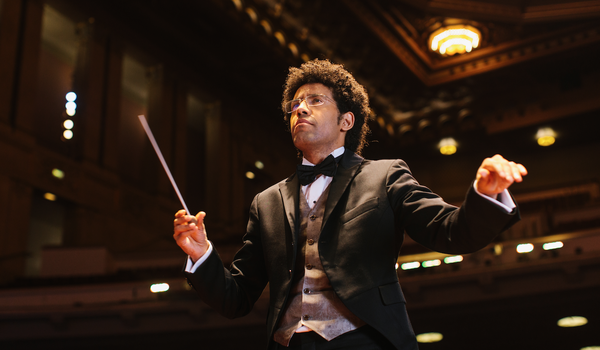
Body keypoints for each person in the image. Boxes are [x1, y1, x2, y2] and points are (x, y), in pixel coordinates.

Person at [173, 59, 527, 350]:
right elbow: (236, 299)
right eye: (295, 104)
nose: (300, 108)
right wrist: (201, 254)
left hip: (365, 341)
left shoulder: (385, 175)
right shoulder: (266, 202)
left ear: (346, 121)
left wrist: (484, 195)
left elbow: (450, 233)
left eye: (314, 100)